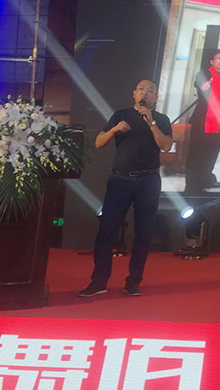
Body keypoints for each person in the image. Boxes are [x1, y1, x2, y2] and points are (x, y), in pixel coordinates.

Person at [79, 80, 173, 297]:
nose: (145, 93)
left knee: (143, 233)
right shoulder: (120, 115)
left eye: (150, 91)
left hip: (148, 181)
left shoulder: (161, 119)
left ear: (155, 97)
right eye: (141, 90)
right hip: (120, 181)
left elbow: (166, 145)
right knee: (106, 231)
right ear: (134, 94)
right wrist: (114, 129)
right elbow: (99, 142)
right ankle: (99, 282)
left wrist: (151, 123)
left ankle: (133, 282)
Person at [184, 49, 220, 195]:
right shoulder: (205, 74)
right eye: (219, 58)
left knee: (212, 153)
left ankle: (206, 180)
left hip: (219, 122)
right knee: (197, 154)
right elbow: (199, 82)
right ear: (212, 62)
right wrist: (203, 86)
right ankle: (191, 187)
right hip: (202, 121)